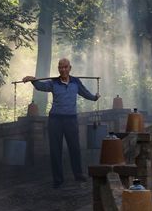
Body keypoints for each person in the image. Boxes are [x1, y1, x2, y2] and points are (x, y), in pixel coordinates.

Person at [23, 58, 99, 188]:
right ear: (58, 69)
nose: (63, 69)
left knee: (75, 148)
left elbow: (85, 92)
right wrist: (33, 80)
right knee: (55, 150)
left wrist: (94, 97)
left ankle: (78, 174)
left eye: (65, 67)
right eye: (60, 67)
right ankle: (58, 179)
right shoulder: (54, 82)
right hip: (55, 120)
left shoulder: (75, 82)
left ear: (70, 68)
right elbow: (41, 86)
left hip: (71, 119)